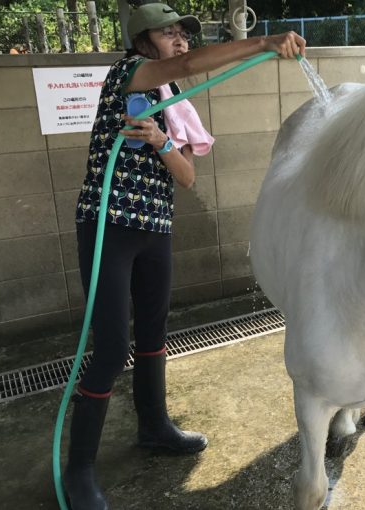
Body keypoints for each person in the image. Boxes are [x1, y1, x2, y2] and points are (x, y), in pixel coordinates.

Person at [66, 4, 305, 509]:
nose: (180, 41)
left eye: (183, 34)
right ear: (142, 41)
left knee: (155, 333)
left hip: (154, 231)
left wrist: (160, 139)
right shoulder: (129, 73)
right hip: (109, 225)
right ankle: (79, 471)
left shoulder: (170, 102)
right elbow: (190, 64)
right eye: (169, 33)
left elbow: (188, 176)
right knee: (111, 348)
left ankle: (154, 427)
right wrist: (264, 42)